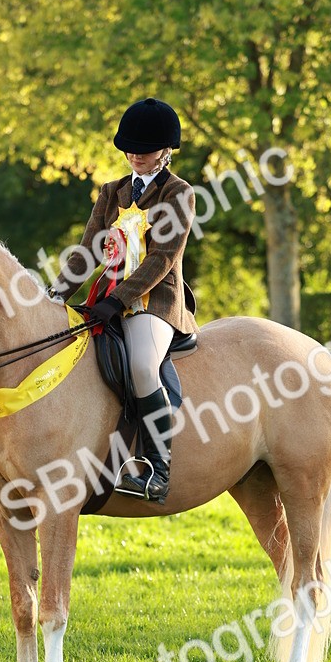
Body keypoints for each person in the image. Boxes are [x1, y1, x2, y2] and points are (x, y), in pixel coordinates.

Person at [47, 97, 198, 503]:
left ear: (166, 151)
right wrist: (56, 294)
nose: (135, 155)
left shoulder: (179, 194)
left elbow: (162, 259)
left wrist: (120, 301)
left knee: (143, 367)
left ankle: (157, 472)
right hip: (108, 298)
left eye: (144, 150)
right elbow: (87, 251)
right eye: (129, 148)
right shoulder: (112, 192)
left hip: (156, 303)